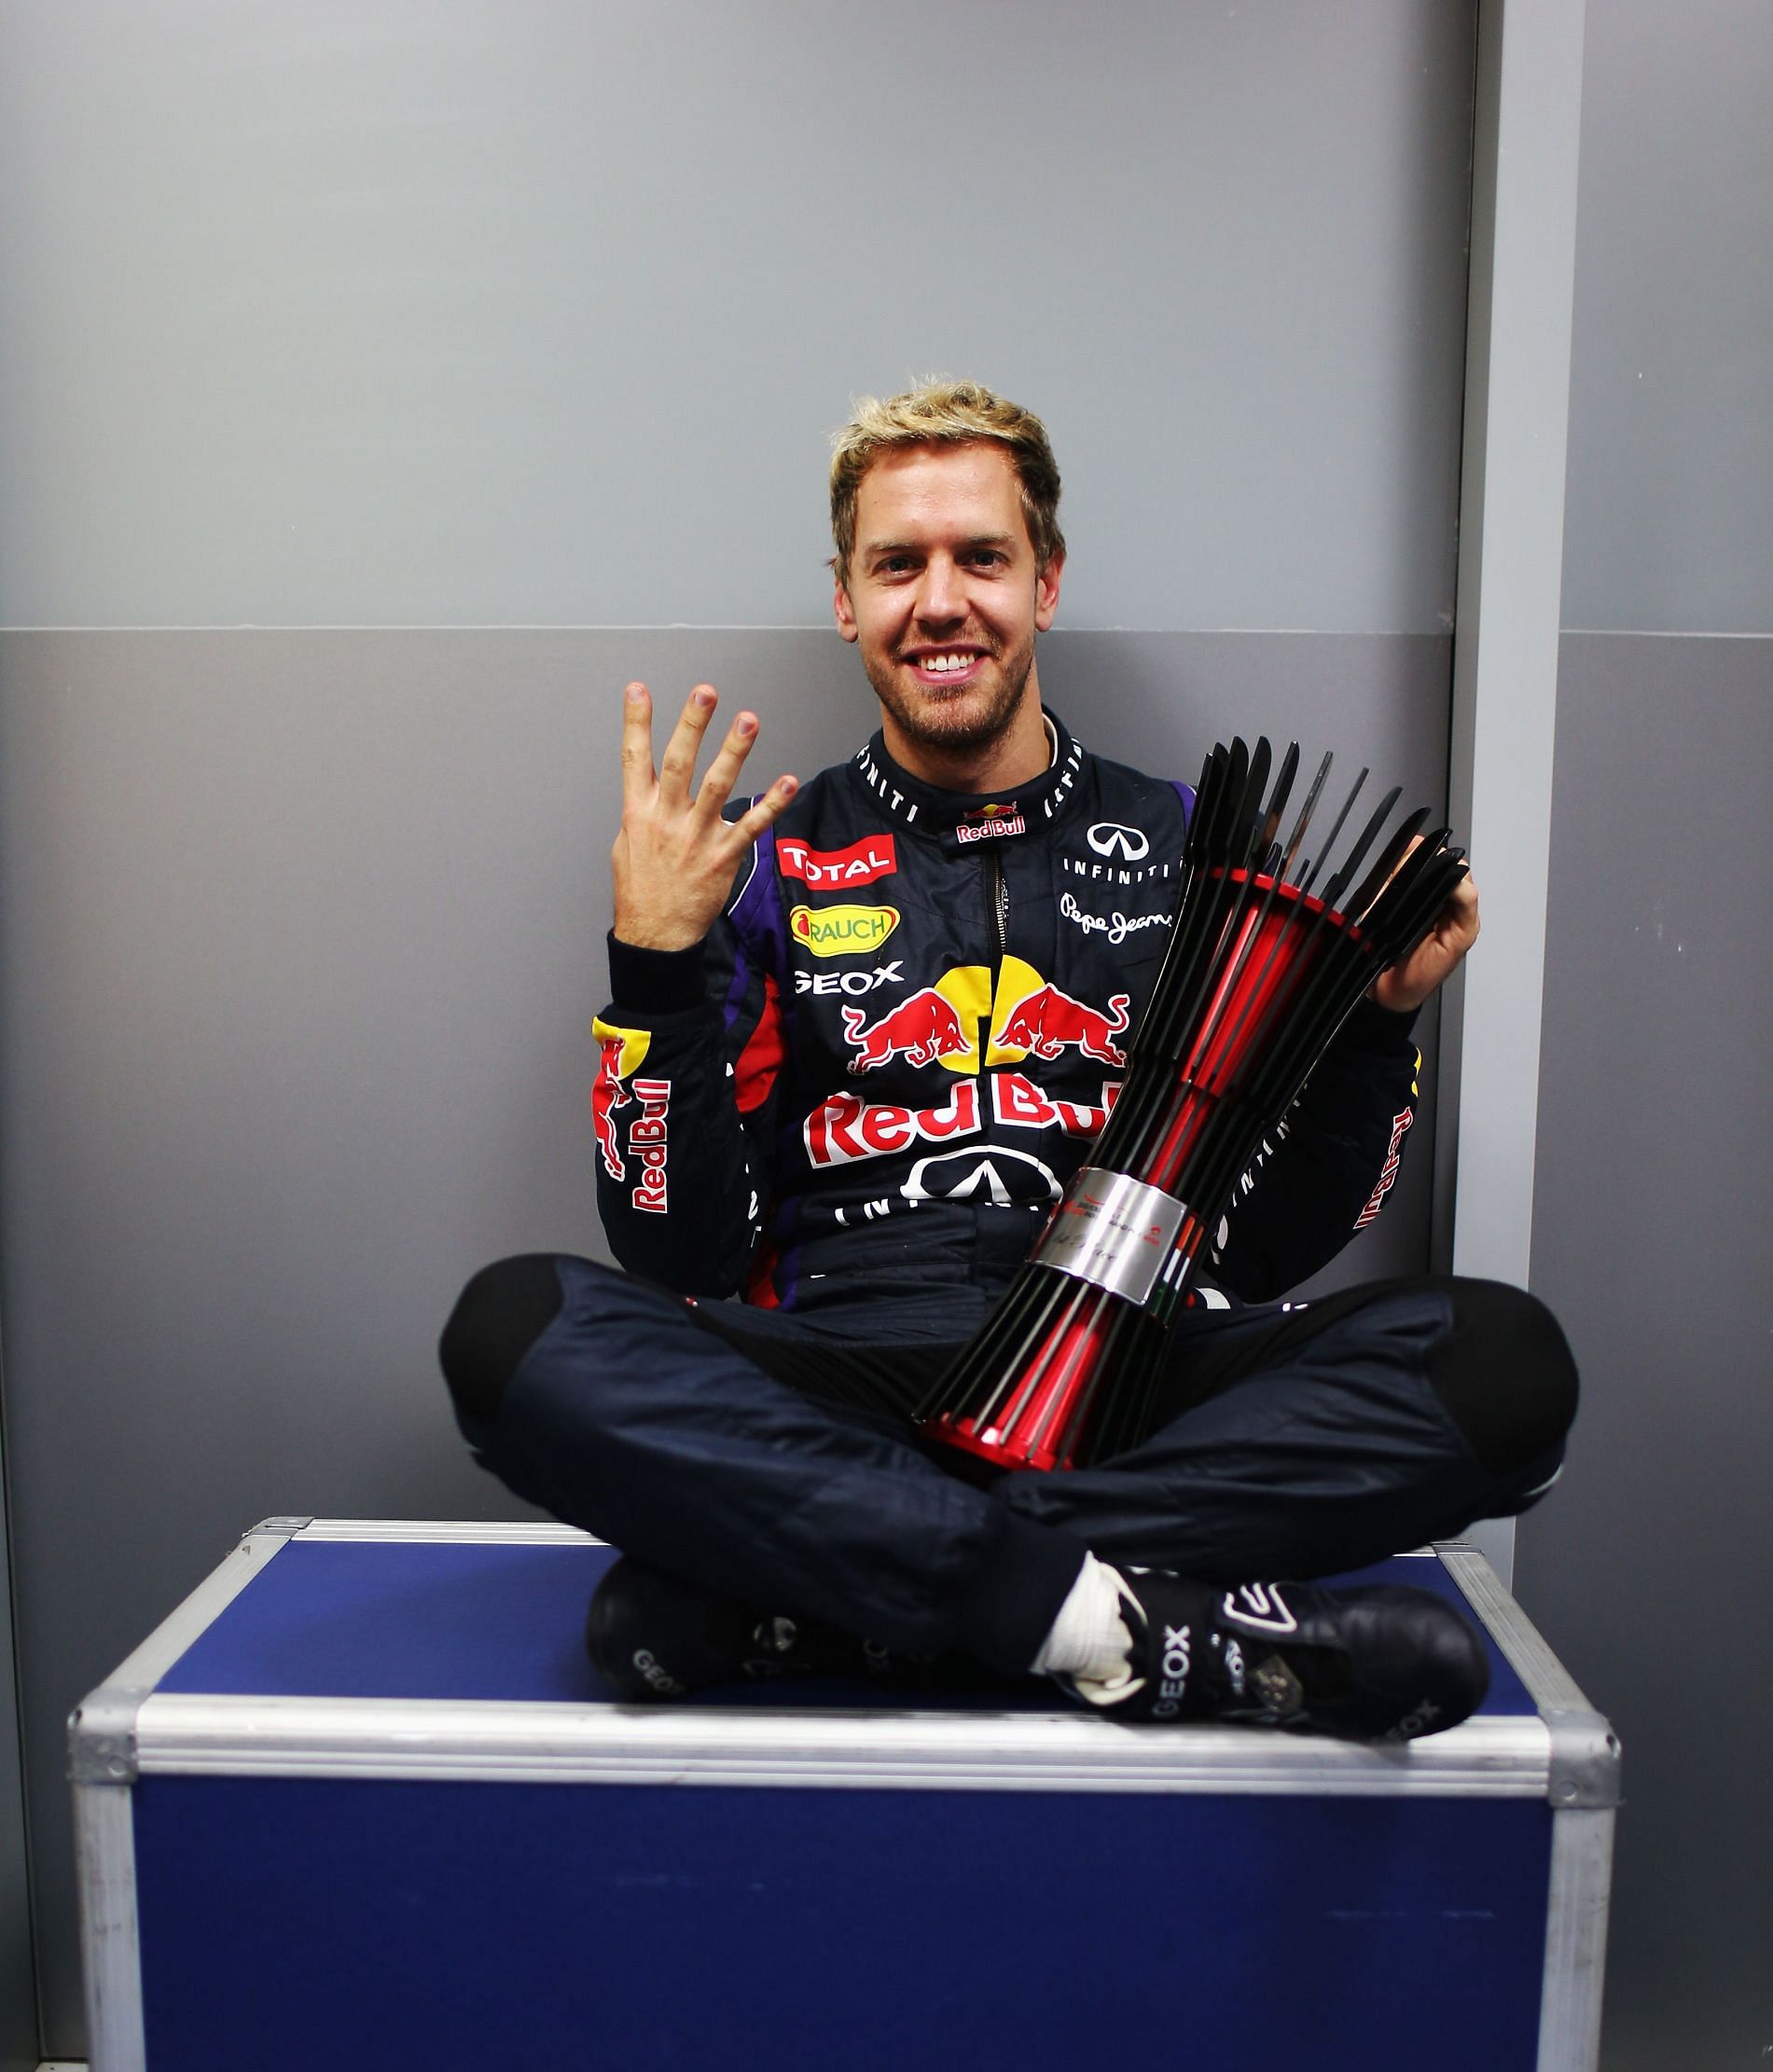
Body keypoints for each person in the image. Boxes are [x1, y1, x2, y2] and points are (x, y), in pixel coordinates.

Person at [440, 382, 1577, 1736]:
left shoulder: (1194, 841)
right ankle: (1113, 1615)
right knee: (515, 1334)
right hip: (849, 1376)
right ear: (847, 598)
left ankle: (872, 1598)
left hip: (1139, 1376)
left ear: (1044, 580)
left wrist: (1377, 1026)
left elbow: (1265, 1247)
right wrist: (652, 962)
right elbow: (677, 1253)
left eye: (980, 557)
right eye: (896, 564)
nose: (940, 600)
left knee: (1505, 1366)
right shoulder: (760, 869)